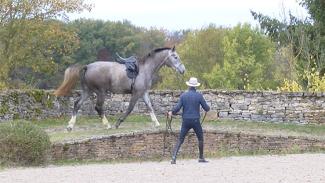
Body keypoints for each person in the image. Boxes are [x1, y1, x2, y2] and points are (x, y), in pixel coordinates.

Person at [168, 77, 210, 164]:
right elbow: (206, 108)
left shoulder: (183, 96)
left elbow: (177, 108)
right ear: (195, 86)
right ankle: (201, 157)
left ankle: (174, 157)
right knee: (200, 138)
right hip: (195, 120)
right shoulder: (199, 95)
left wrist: (171, 112)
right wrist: (208, 108)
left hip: (185, 120)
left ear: (189, 86)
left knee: (180, 139)